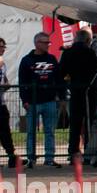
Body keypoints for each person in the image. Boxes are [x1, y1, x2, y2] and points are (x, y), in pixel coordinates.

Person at [19, 32, 63, 167]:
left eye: (48, 42)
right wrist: (24, 100)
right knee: (31, 132)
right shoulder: (27, 60)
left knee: (50, 131)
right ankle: (31, 158)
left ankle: (49, 159)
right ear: (37, 43)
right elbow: (22, 81)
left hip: (50, 101)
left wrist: (60, 96)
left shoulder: (52, 59)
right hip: (32, 102)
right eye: (45, 42)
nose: (48, 45)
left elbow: (58, 78)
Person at [58, 29, 97, 160]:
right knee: (89, 122)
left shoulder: (67, 53)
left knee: (75, 124)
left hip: (75, 91)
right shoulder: (91, 53)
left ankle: (73, 152)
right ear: (88, 40)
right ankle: (89, 150)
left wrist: (68, 80)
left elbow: (61, 72)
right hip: (89, 92)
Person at [0, 38, 15, 167]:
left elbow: (5, 79)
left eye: (4, 46)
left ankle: (11, 156)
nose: (3, 49)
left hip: (1, 102)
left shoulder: (2, 63)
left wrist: (6, 84)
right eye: (1, 46)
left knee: (5, 130)